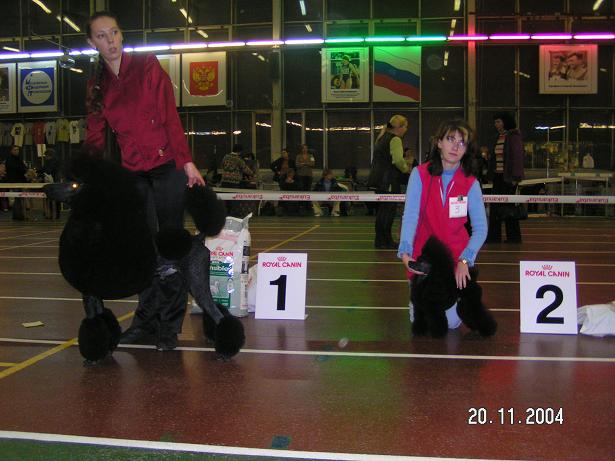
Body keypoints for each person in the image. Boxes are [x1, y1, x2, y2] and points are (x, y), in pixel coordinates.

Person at [83, 11, 205, 351]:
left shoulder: (148, 65)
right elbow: (94, 136)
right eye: (101, 36)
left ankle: (169, 326)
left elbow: (170, 116)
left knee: (171, 248)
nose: (110, 41)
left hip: (167, 167)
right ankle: (146, 321)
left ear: (122, 34)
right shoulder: (96, 85)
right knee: (143, 250)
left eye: (114, 32)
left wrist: (187, 162)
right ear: (92, 42)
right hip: (133, 174)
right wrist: (89, 176)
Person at [398, 119, 487, 328]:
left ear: (467, 149)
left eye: (462, 142)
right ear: (439, 142)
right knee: (424, 321)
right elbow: (410, 216)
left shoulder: (471, 183)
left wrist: (465, 260)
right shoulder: (419, 175)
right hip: (424, 258)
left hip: (456, 260)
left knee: (451, 324)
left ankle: (455, 301)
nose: (455, 146)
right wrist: (405, 252)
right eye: (450, 139)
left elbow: (481, 228)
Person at [367, 115, 410, 249]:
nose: (406, 130)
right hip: (388, 180)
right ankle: (386, 241)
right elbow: (398, 160)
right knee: (389, 210)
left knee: (383, 210)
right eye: (405, 127)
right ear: (399, 127)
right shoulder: (395, 139)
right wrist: (406, 169)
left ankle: (380, 240)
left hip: (378, 180)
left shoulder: (382, 138)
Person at [486, 112, 524, 243]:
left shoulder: (514, 137)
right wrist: (490, 174)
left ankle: (513, 237)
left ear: (505, 122)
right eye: (495, 122)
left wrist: (516, 177)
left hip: (509, 178)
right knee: (495, 207)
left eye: (498, 121)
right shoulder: (498, 137)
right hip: (498, 176)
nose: (495, 124)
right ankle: (494, 237)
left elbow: (517, 157)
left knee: (509, 208)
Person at [4, 145, 27, 220]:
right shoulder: (9, 159)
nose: (17, 151)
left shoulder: (19, 158)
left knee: (19, 198)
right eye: (15, 150)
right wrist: (23, 169)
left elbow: (23, 167)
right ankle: (18, 215)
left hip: (20, 181)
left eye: (17, 150)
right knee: (17, 197)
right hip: (14, 181)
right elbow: (16, 168)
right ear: (11, 151)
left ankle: (18, 214)